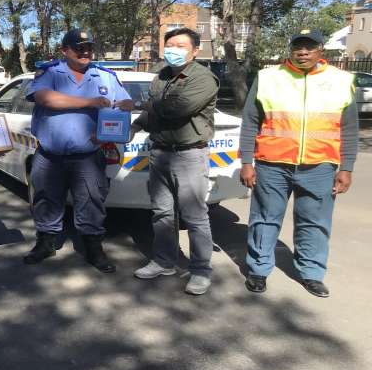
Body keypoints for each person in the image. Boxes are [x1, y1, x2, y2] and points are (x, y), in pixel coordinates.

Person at [240, 30, 359, 298]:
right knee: (264, 219)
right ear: (290, 50)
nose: (303, 52)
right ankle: (258, 270)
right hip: (272, 164)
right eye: (298, 47)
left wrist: (347, 167)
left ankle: (311, 273)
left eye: (309, 47)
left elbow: (350, 129)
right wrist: (247, 161)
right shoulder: (268, 78)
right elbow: (250, 123)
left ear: (321, 50)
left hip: (320, 166)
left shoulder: (341, 80)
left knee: (314, 223)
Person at [119, 28, 219, 295]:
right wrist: (136, 125)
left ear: (195, 50)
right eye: (170, 44)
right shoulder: (162, 75)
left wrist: (136, 105)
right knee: (162, 213)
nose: (174, 49)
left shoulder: (203, 78)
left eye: (181, 45)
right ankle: (164, 262)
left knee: (194, 216)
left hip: (189, 154)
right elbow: (154, 109)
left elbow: (179, 108)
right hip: (161, 152)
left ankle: (201, 271)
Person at [24, 29, 130, 273]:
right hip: (50, 156)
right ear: (64, 50)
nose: (85, 52)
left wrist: (109, 134)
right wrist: (89, 102)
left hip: (88, 157)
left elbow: (122, 109)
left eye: (89, 47)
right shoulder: (50, 72)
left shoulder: (106, 76)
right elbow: (45, 98)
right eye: (78, 47)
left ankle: (93, 247)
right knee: (46, 199)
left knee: (92, 202)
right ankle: (45, 243)